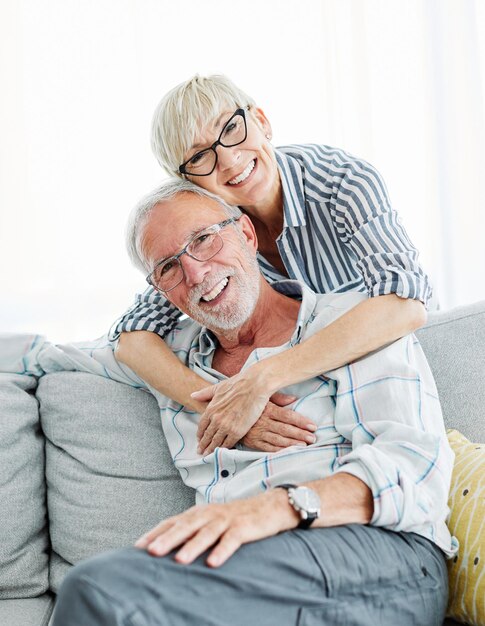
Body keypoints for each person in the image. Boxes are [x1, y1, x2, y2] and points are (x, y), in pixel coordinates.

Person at [49, 180, 454, 625]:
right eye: (168, 267)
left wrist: (274, 510)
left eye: (202, 240)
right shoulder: (171, 359)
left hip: (377, 554)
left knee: (100, 592)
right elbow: (42, 356)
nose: (196, 274)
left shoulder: (352, 323)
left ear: (246, 233)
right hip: (241, 572)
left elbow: (415, 470)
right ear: (160, 292)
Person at [111, 74, 433, 456]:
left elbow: (406, 303)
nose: (229, 160)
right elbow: (132, 340)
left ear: (261, 121)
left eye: (231, 128)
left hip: (392, 370)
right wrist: (223, 407)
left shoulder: (341, 182)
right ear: (186, 183)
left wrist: (262, 378)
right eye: (199, 156)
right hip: (307, 403)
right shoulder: (206, 239)